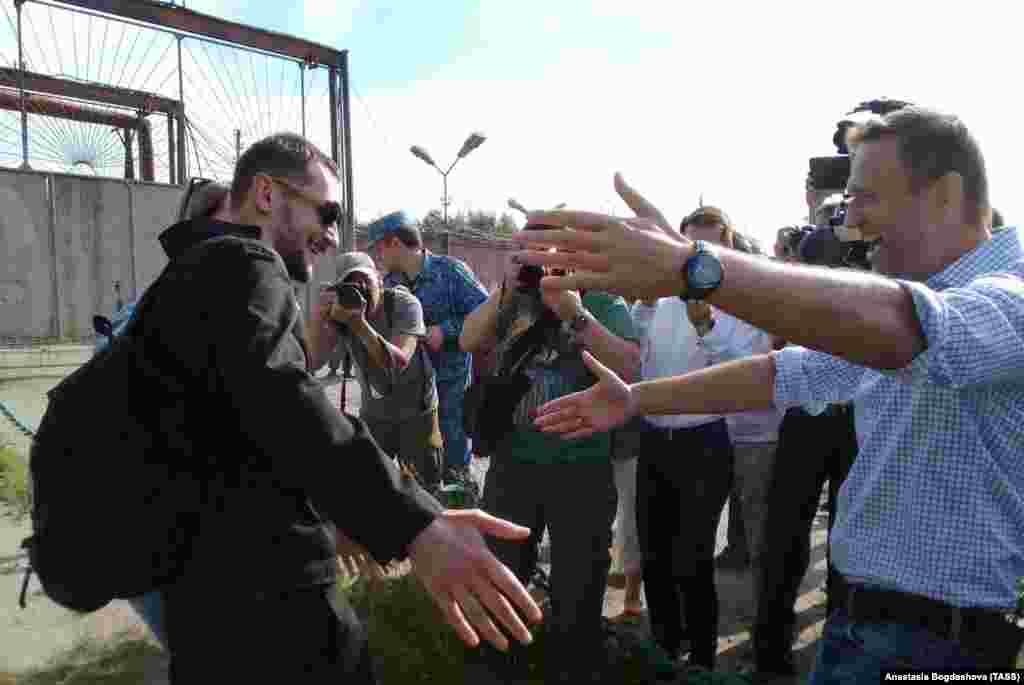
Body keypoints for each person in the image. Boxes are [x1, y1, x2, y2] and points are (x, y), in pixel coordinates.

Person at [515, 106, 1024, 678]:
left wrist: (695, 269)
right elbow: (783, 373)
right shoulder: (910, 302)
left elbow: (913, 330)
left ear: (944, 195)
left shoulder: (1009, 295)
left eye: (864, 199)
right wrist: (636, 400)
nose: (846, 222)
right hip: (866, 630)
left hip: (942, 647)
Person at [134, 133, 541, 683]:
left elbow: (268, 419)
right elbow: (290, 396)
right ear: (263, 195)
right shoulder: (229, 274)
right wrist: (415, 524)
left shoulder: (213, 280)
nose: (330, 234)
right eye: (326, 213)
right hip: (201, 559)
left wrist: (351, 519)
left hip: (223, 540)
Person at [459, 220, 641, 683]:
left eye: (544, 251)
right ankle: (500, 671)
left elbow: (630, 366)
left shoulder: (600, 299)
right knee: (502, 578)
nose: (536, 260)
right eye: (525, 251)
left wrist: (575, 315)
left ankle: (570, 667)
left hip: (581, 468)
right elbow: (467, 339)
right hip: (512, 467)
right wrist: (504, 288)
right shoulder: (510, 299)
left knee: (578, 585)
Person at [368, 212, 489, 498]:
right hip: (413, 403)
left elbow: (487, 313)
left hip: (450, 398)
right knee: (420, 482)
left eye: (378, 247)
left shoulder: (450, 272)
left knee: (455, 479)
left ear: (395, 243)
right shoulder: (390, 283)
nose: (377, 254)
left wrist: (445, 331)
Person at [306, 251, 444, 493]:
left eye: (364, 281)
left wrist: (358, 323)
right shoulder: (341, 311)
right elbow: (313, 362)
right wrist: (319, 317)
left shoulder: (404, 304)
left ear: (380, 280)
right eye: (350, 283)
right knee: (368, 488)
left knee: (422, 491)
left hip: (416, 415)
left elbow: (398, 362)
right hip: (376, 414)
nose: (358, 290)